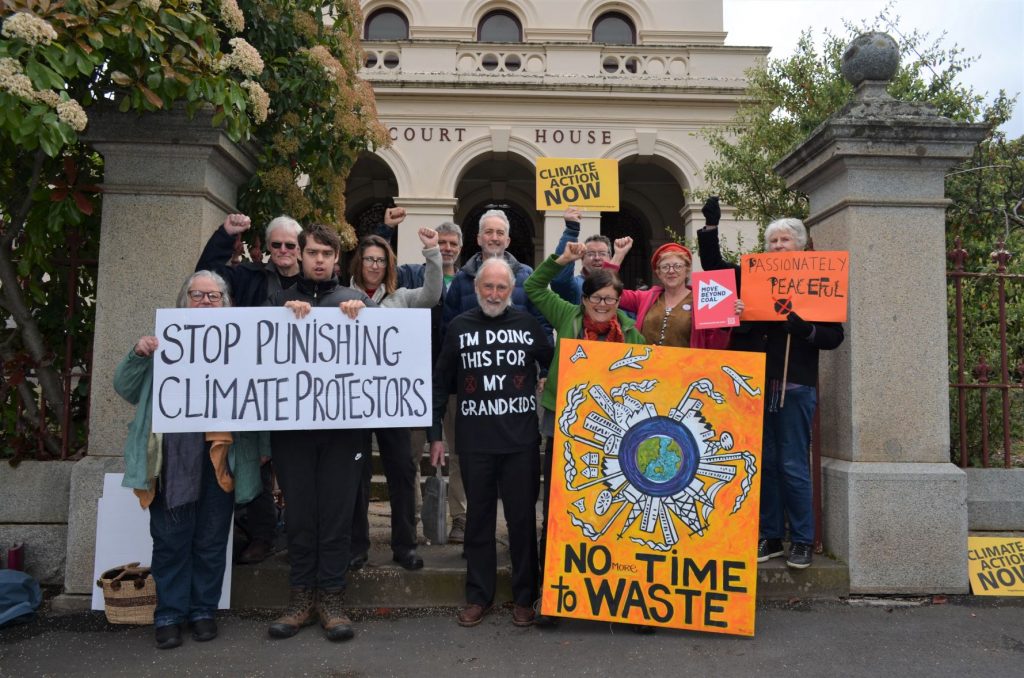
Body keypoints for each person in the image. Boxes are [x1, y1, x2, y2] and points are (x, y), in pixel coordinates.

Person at [114, 270, 262, 650]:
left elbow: (259, 397)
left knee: (211, 541)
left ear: (226, 304)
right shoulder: (164, 345)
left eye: (214, 297)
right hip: (172, 461)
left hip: (220, 458)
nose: (206, 302)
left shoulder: (242, 347)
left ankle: (202, 611)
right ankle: (169, 614)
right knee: (170, 540)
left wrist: (262, 449)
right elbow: (126, 388)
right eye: (198, 295)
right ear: (184, 301)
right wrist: (138, 354)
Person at [697, 197, 844, 569]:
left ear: (800, 245)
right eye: (773, 241)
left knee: (793, 464)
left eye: (785, 240)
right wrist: (711, 227)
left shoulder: (817, 280)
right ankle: (771, 535)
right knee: (763, 461)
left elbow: (834, 337)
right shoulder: (753, 275)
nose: (778, 246)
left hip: (794, 383)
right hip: (754, 382)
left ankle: (802, 540)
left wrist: (806, 329)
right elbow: (713, 266)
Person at [524, 242, 646, 626]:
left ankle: (625, 599)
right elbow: (533, 287)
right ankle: (553, 594)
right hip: (564, 427)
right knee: (559, 509)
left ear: (619, 301)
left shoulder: (632, 334)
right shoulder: (567, 316)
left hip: (615, 438)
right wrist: (561, 259)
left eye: (610, 299)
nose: (603, 305)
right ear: (585, 298)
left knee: (616, 513)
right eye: (596, 298)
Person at [429, 258, 553, 627]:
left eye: (502, 287)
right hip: (475, 442)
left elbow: (556, 362)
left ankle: (525, 597)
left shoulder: (528, 325)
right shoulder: (459, 326)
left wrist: (548, 376)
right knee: (478, 522)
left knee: (521, 521)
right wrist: (435, 436)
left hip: (520, 444)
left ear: (511, 290)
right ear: (476, 288)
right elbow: (439, 383)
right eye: (488, 286)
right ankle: (478, 596)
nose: (495, 294)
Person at [265, 224, 373, 642]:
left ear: (336, 258)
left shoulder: (356, 301)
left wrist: (363, 318)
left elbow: (382, 359)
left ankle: (331, 598)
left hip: (344, 433)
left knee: (336, 514)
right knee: (300, 513)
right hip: (293, 432)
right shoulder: (277, 302)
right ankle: (300, 598)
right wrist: (282, 319)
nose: (319, 260)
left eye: (327, 254)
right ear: (300, 254)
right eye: (312, 252)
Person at [196, 213, 304, 564]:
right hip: (254, 387)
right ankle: (262, 534)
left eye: (290, 244)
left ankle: (302, 538)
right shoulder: (248, 277)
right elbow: (207, 275)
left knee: (298, 466)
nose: (284, 250)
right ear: (269, 247)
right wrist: (225, 234)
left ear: (300, 247)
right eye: (277, 244)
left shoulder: (316, 281)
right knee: (257, 462)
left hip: (302, 388)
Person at [441, 209, 552, 541]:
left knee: (515, 465)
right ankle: (465, 521)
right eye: (488, 232)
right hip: (469, 391)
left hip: (514, 391)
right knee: (464, 457)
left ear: (508, 239)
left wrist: (545, 369)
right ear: (478, 238)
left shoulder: (528, 276)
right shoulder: (462, 279)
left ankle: (515, 535)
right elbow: (448, 327)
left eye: (499, 233)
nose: (493, 237)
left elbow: (541, 325)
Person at [347, 228, 443, 571]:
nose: (374, 265)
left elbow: (432, 293)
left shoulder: (402, 297)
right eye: (369, 259)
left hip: (393, 402)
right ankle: (357, 546)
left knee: (402, 472)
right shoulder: (341, 297)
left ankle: (405, 546)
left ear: (388, 265)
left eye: (381, 260)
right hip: (355, 403)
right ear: (359, 263)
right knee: (356, 475)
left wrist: (432, 252)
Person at [548, 206, 620, 304]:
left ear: (610, 258)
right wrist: (571, 229)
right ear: (582, 259)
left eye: (602, 253)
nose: (597, 258)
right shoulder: (576, 287)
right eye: (590, 254)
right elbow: (559, 281)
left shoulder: (618, 288)